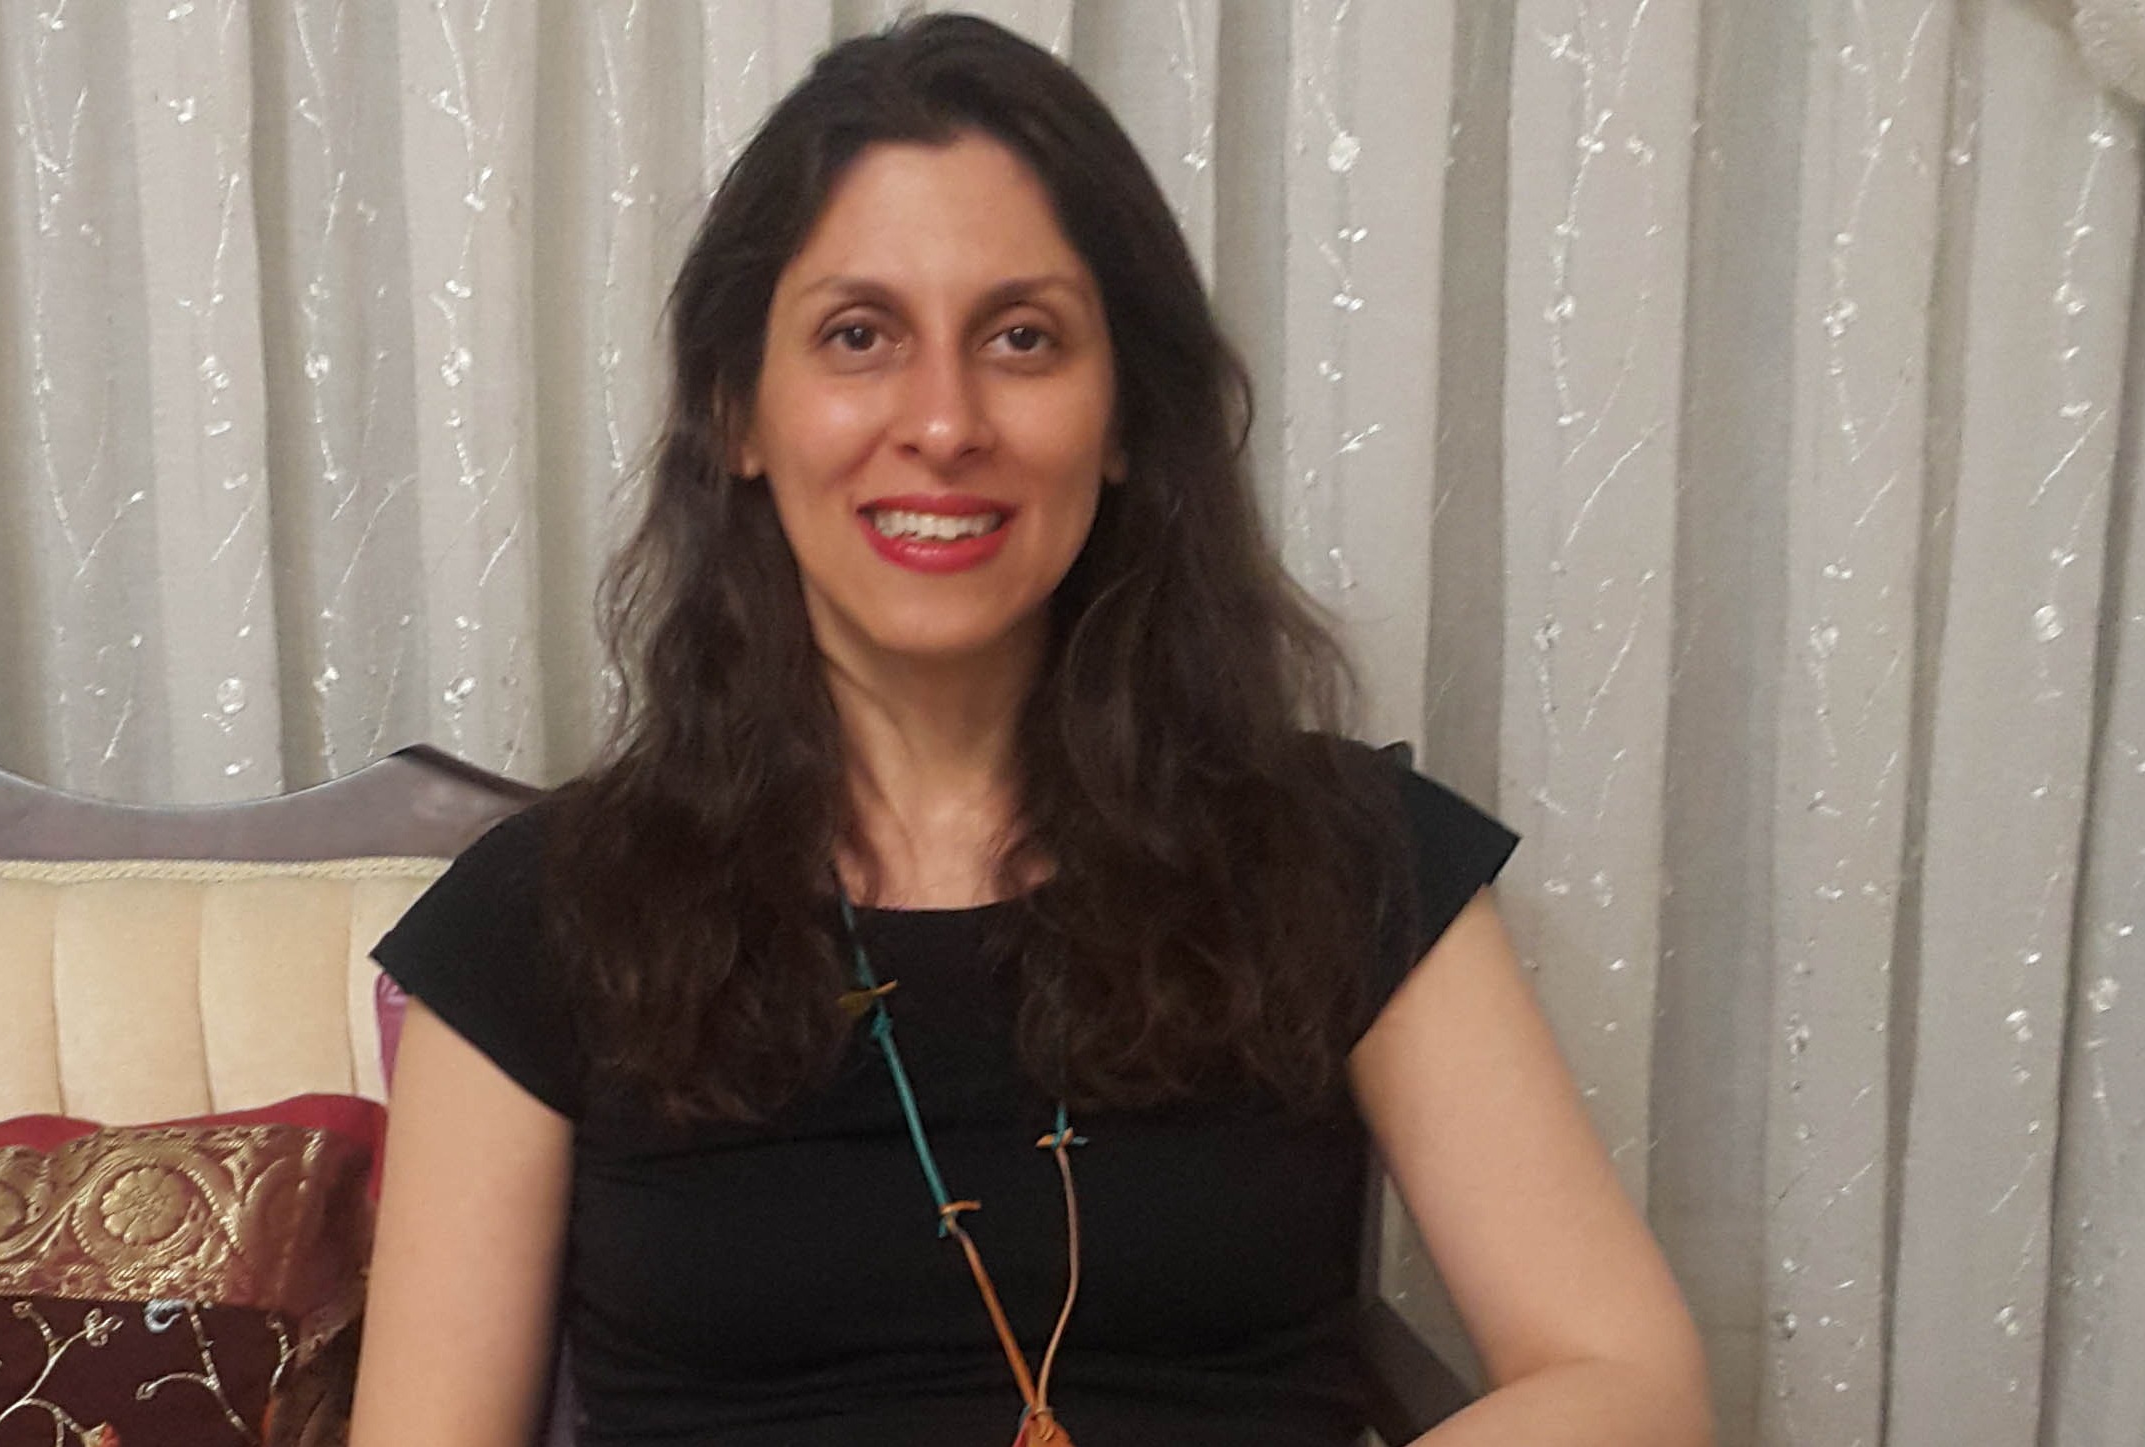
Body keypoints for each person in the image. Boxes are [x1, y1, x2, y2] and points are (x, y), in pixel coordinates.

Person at [353, 14, 1708, 1446]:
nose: (944, 423)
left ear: (1122, 417)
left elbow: (1630, 1384)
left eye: (1021, 337)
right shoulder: (539, 917)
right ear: (737, 410)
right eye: (859, 335)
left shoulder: (1343, 855)